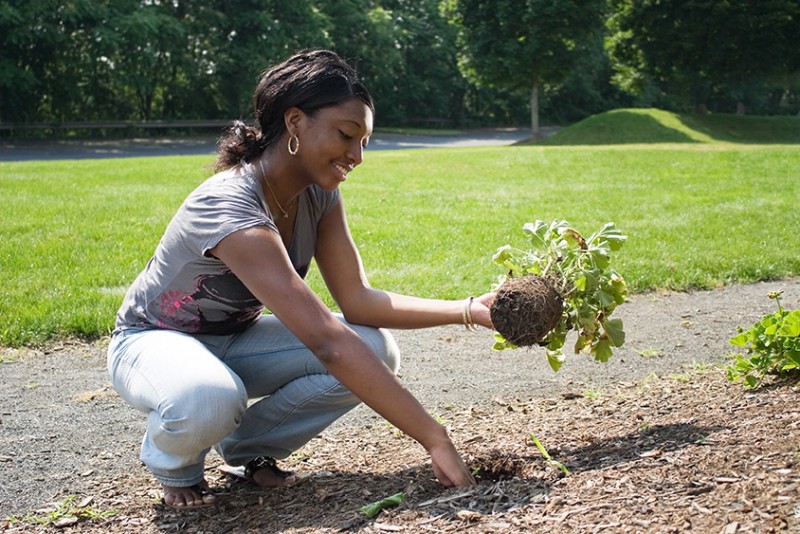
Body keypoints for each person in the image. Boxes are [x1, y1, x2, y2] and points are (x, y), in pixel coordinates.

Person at [107, 49, 494, 510]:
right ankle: (175, 467)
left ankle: (247, 451)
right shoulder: (229, 207)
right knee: (211, 397)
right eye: (347, 135)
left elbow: (358, 302)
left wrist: (469, 310)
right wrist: (434, 437)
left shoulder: (319, 197)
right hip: (151, 341)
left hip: (233, 338)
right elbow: (326, 340)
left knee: (373, 348)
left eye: (364, 142)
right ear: (295, 122)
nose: (357, 156)